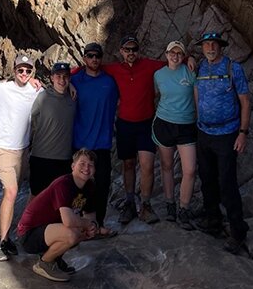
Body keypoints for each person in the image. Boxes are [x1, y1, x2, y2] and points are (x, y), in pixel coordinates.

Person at [193, 30, 251, 254]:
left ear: (221, 47)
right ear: (202, 48)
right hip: (204, 133)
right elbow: (197, 94)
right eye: (206, 45)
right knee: (207, 179)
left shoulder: (232, 68)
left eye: (214, 44)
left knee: (227, 183)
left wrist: (243, 132)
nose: (210, 48)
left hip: (227, 134)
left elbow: (245, 102)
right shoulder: (199, 67)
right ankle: (213, 220)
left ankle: (238, 231)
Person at [101, 35, 166, 225]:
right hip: (125, 124)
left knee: (146, 165)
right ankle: (129, 203)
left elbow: (171, 62)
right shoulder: (114, 69)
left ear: (138, 51)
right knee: (128, 164)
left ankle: (145, 205)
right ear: (121, 51)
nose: (131, 53)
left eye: (134, 49)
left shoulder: (148, 65)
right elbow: (91, 68)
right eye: (127, 49)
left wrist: (190, 59)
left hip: (146, 124)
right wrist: (68, 77)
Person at [16, 149, 99, 282]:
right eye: (82, 164)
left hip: (49, 229)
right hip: (29, 234)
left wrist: (92, 226)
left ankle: (55, 258)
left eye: (90, 165)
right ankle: (45, 263)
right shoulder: (64, 184)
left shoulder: (89, 185)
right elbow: (68, 221)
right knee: (72, 233)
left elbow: (90, 214)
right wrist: (87, 224)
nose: (86, 168)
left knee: (81, 230)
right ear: (73, 166)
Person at [0, 53, 41, 261]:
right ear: (14, 70)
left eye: (28, 71)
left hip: (23, 150)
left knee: (12, 193)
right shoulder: (1, 88)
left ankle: (0, 235)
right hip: (1, 149)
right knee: (11, 192)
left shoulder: (35, 91)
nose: (24, 74)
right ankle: (2, 243)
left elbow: (56, 93)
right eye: (20, 70)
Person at [70, 42, 119, 236]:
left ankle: (98, 224)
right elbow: (56, 82)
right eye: (90, 56)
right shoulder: (75, 80)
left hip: (102, 144)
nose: (94, 59)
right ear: (84, 59)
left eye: (97, 56)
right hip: (81, 145)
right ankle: (79, 221)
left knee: (102, 185)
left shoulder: (110, 82)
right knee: (80, 186)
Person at [152, 40, 197, 229]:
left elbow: (197, 97)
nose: (175, 56)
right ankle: (170, 204)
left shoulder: (190, 72)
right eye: (172, 52)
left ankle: (184, 208)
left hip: (187, 126)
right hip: (164, 124)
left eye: (179, 53)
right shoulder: (158, 75)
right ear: (166, 53)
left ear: (183, 55)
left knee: (190, 170)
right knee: (167, 166)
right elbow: (155, 96)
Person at [28, 62, 76, 196]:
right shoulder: (41, 96)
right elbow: (32, 120)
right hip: (41, 157)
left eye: (65, 76)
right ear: (52, 78)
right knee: (36, 198)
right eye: (58, 76)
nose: (62, 80)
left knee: (59, 200)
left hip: (64, 159)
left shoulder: (74, 98)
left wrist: (72, 86)